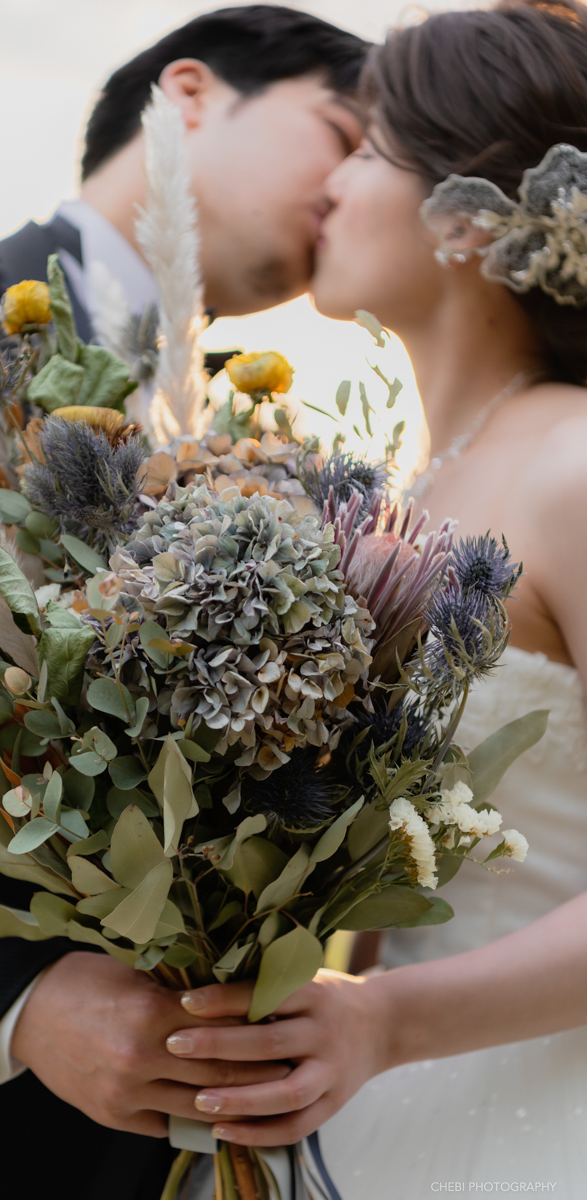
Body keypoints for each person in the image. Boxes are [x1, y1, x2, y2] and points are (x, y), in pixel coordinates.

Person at [0, 7, 367, 1197]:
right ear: (191, 95)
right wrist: (8, 997)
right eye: (344, 131)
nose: (361, 181)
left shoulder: (264, 437)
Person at [156, 2, 587, 1193]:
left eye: (367, 147)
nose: (330, 187)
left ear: (466, 212)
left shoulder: (577, 467)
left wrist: (388, 1021)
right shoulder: (407, 490)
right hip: (360, 1109)